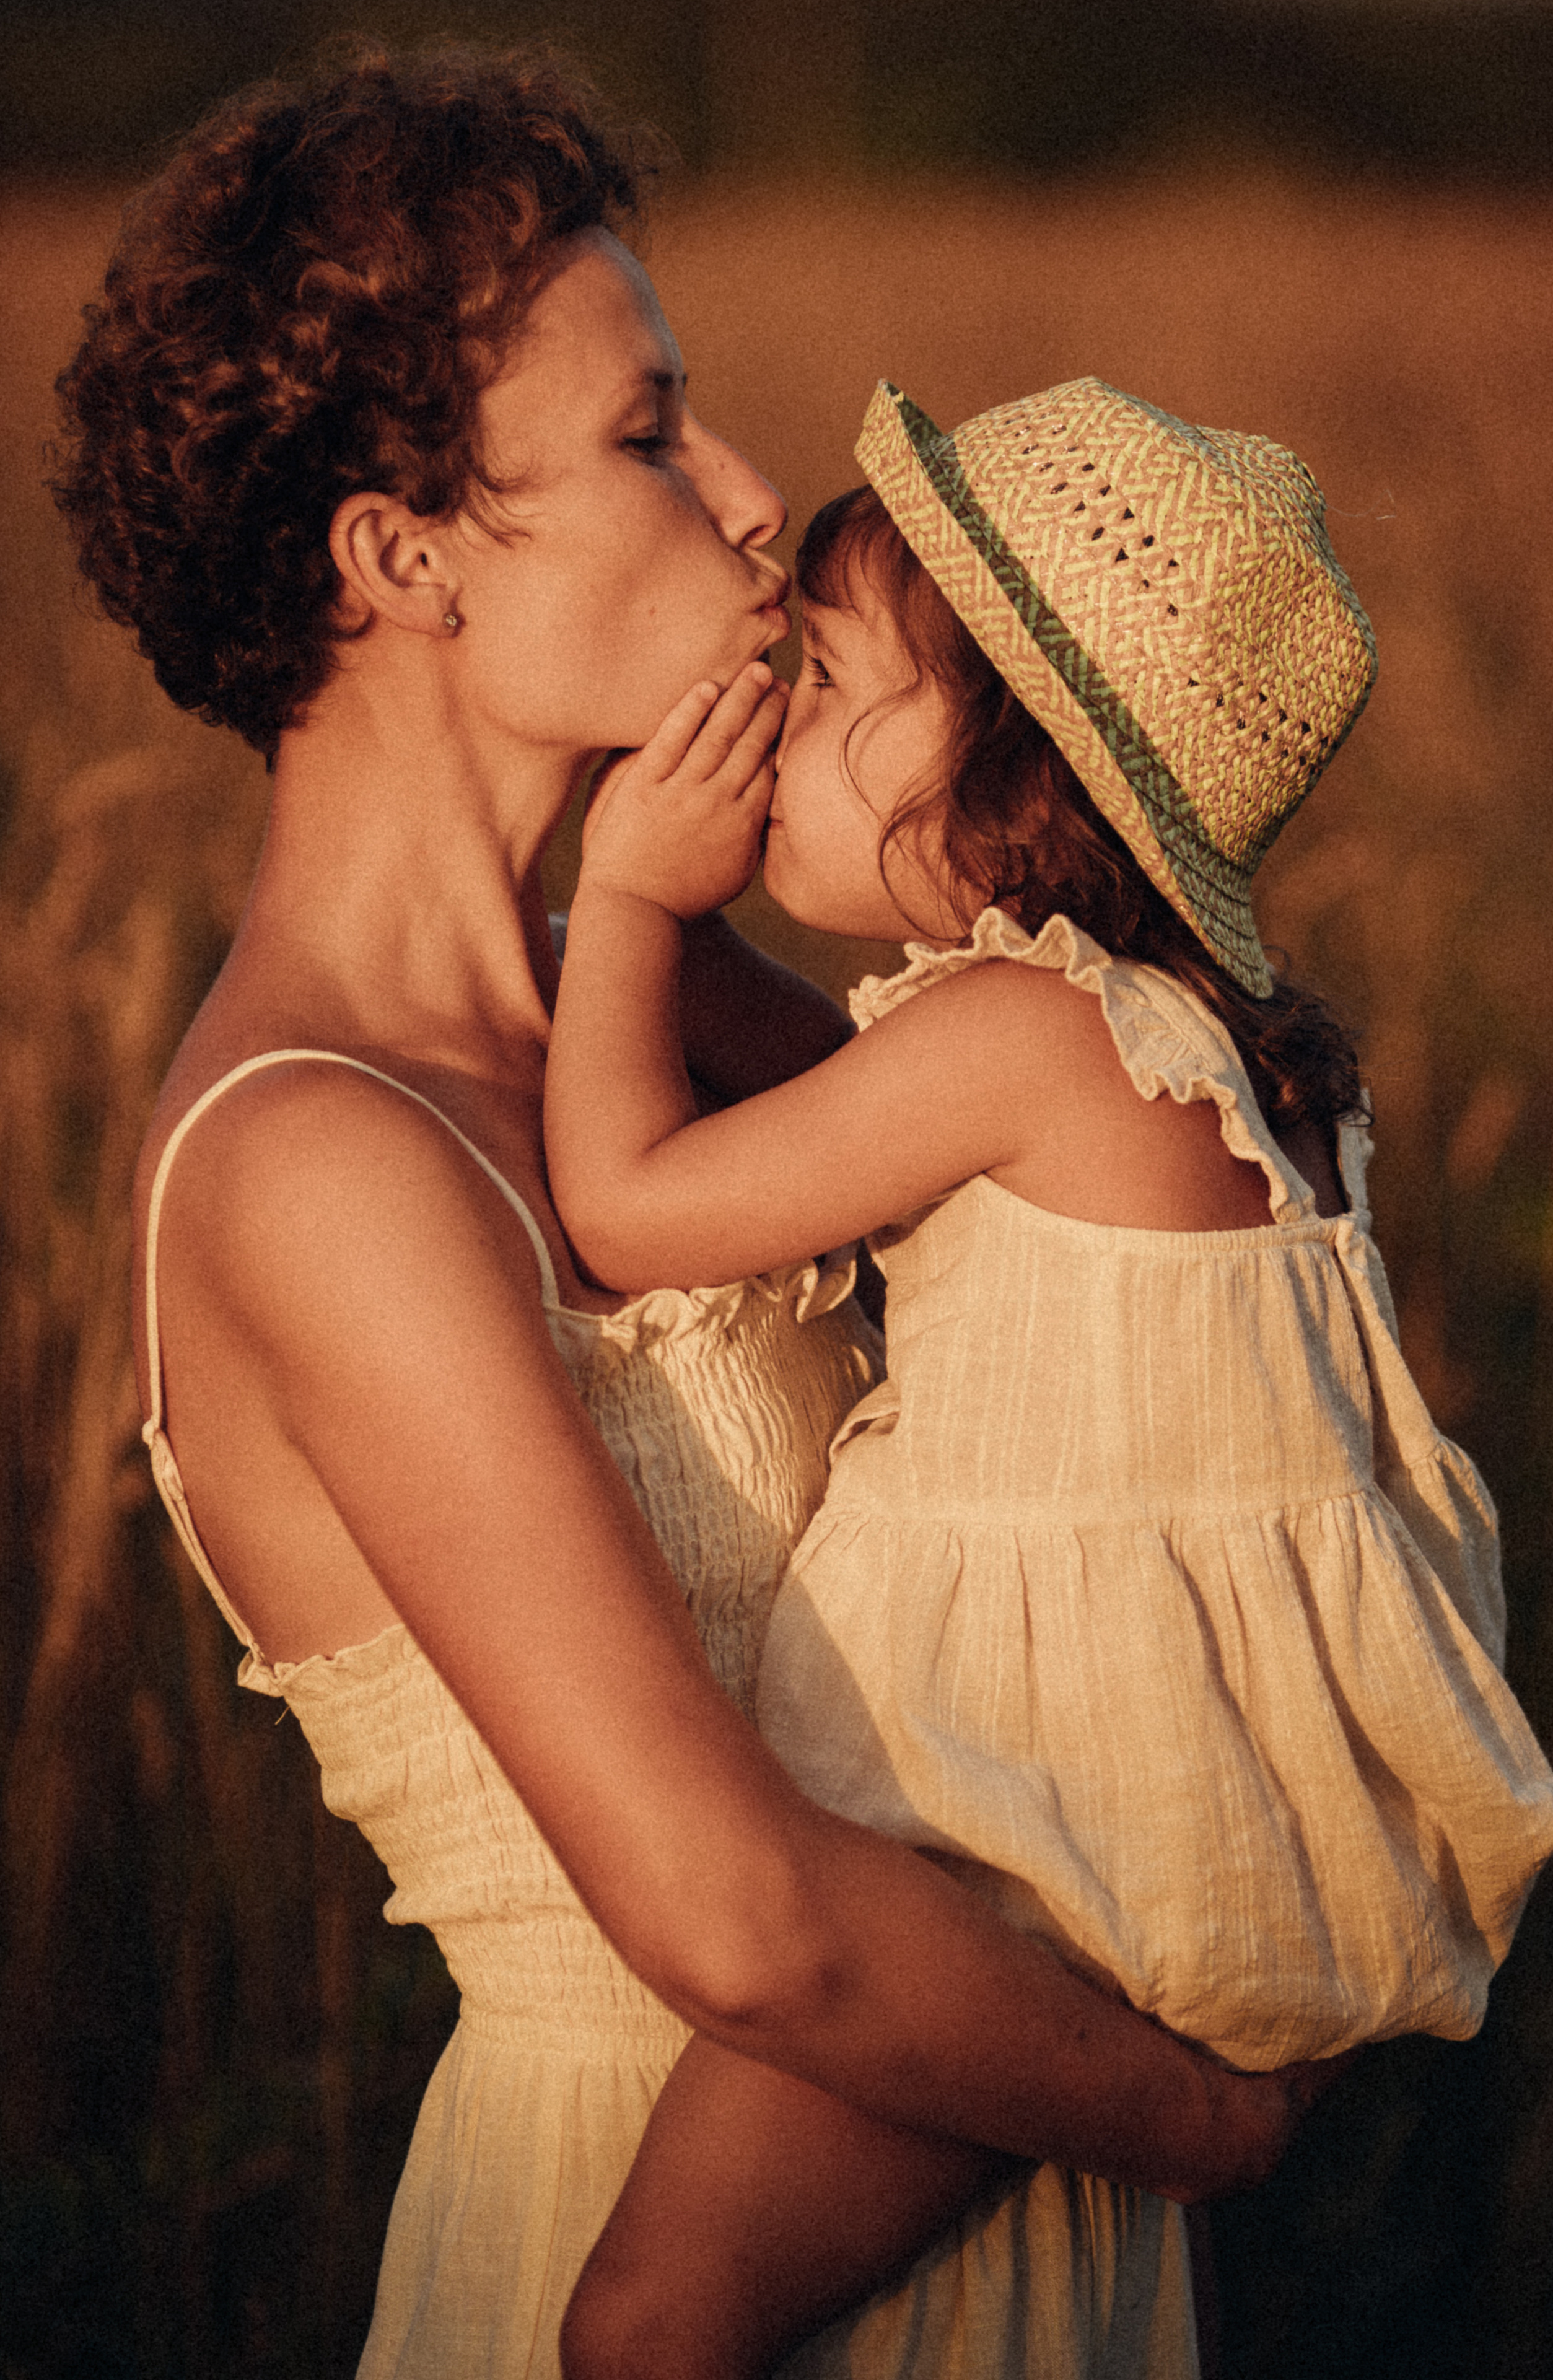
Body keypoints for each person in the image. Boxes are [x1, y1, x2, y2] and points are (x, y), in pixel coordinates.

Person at [53, 50, 1317, 2380]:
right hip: (664, 2222)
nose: (756, 503)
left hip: (978, 2181)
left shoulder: (648, 1005)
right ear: (401, 554)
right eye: (650, 435)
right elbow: (733, 1917)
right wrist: (1206, 2115)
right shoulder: (316, 1156)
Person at [545, 374, 1553, 2376]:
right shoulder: (1185, 1045)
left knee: (644, 2328)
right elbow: (848, 1107)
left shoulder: (1008, 1039)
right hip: (1142, 1828)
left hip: (1017, 1860)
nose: (776, 715)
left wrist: (633, 906)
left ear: (1013, 762)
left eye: (827, 678)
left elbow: (630, 1208)